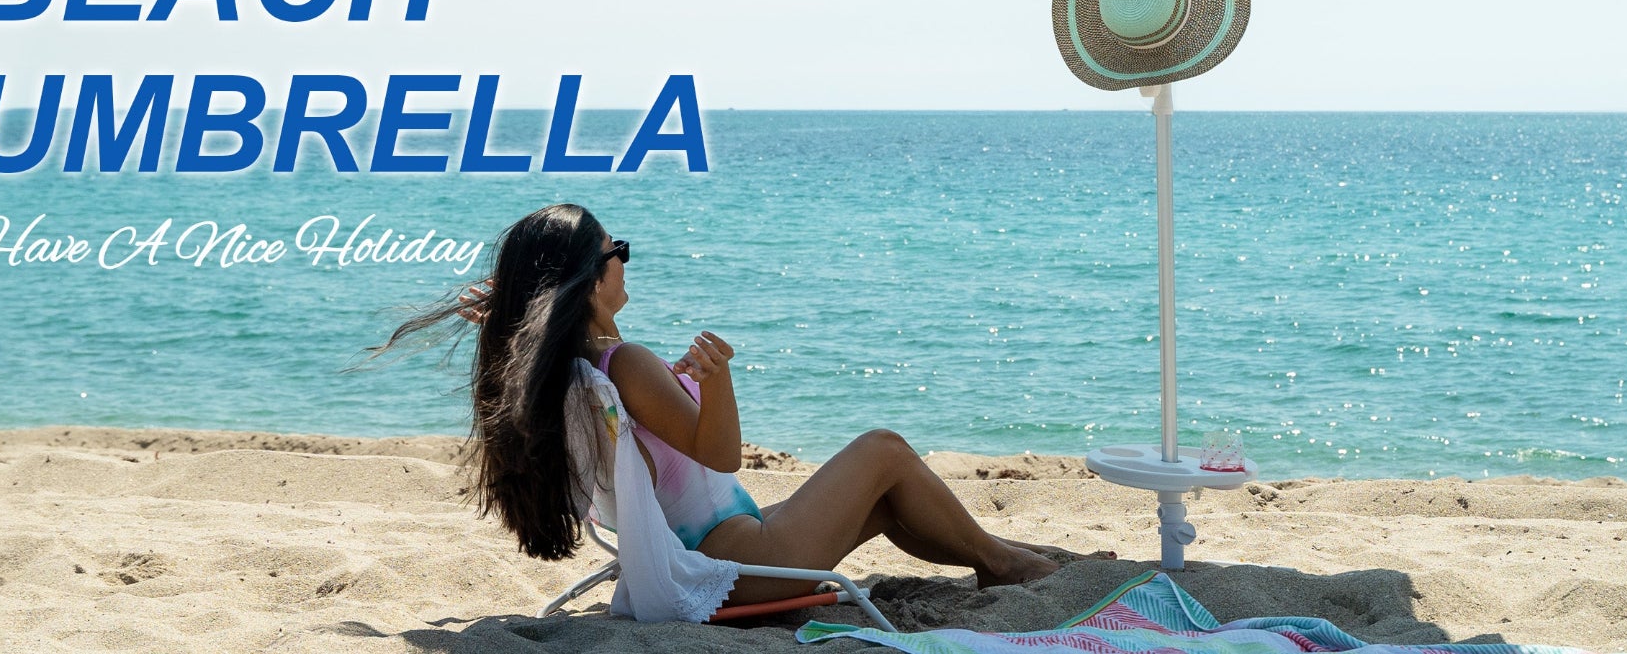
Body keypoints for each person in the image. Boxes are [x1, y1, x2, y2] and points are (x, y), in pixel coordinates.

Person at [374, 202, 1090, 611]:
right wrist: (716, 380)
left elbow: (661, 439)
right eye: (614, 247)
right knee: (885, 448)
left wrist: (504, 317)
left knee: (892, 498)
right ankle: (1005, 561)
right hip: (738, 570)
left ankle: (997, 560)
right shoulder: (625, 363)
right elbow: (721, 456)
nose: (625, 255)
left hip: (714, 553)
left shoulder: (568, 370)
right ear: (592, 280)